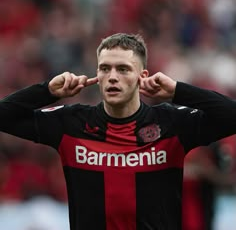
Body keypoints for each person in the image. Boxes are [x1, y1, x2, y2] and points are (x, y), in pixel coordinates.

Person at [1, 32, 236, 230]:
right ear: (97, 75)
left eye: (123, 69)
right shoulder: (71, 123)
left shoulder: (171, 124)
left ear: (142, 77)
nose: (113, 77)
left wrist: (178, 91)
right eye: (105, 68)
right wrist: (47, 91)